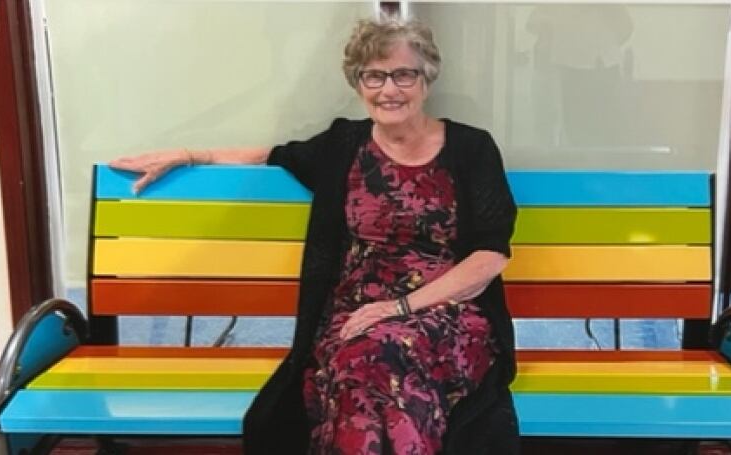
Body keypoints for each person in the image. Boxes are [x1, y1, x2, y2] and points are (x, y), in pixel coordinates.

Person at [110, 16, 519, 455]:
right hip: (354, 312)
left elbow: (489, 256)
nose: (389, 89)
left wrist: (397, 308)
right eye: (374, 76)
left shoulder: (471, 148)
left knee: (372, 359)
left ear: (426, 78)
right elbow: (274, 154)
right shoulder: (344, 146)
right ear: (358, 82)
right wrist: (190, 154)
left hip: (447, 312)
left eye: (403, 74)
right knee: (360, 365)